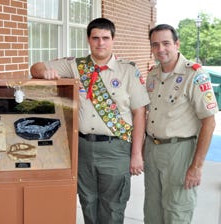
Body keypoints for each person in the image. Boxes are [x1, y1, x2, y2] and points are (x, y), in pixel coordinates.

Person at [31, 17, 150, 224]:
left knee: (113, 207)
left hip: (116, 148)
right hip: (83, 147)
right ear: (88, 39)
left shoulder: (128, 71)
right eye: (96, 38)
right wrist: (45, 72)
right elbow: (35, 67)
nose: (100, 43)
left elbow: (140, 113)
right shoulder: (76, 66)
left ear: (113, 39)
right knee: (87, 201)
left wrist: (137, 153)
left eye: (105, 38)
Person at [144, 24, 218, 223]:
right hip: (152, 149)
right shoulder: (152, 74)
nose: (161, 49)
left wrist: (197, 166)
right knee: (152, 211)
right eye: (155, 44)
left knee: (177, 211)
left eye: (166, 43)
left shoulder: (194, 74)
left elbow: (209, 123)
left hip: (180, 152)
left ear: (177, 44)